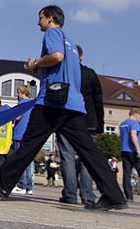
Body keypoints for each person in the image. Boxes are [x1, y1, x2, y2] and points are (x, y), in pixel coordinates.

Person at [0, 5, 127, 211]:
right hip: (73, 104)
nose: (38, 22)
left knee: (29, 143)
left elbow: (56, 56)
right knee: (88, 150)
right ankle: (114, 195)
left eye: (40, 17)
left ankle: (2, 183)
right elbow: (69, 68)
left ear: (50, 18)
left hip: (52, 100)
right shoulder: (72, 45)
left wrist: (35, 63)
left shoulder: (52, 32)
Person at [57, 44, 102, 205]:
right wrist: (100, 125)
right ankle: (88, 195)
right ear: (81, 57)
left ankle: (70, 194)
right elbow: (98, 101)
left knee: (67, 156)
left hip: (66, 121)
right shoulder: (90, 74)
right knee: (86, 159)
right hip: (88, 123)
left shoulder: (64, 74)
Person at [11, 85, 35, 195]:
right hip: (28, 134)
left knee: (19, 161)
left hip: (19, 134)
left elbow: (17, 117)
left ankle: (21, 185)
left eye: (18, 92)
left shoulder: (21, 103)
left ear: (23, 92)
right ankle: (29, 187)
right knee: (28, 162)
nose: (17, 95)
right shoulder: (32, 104)